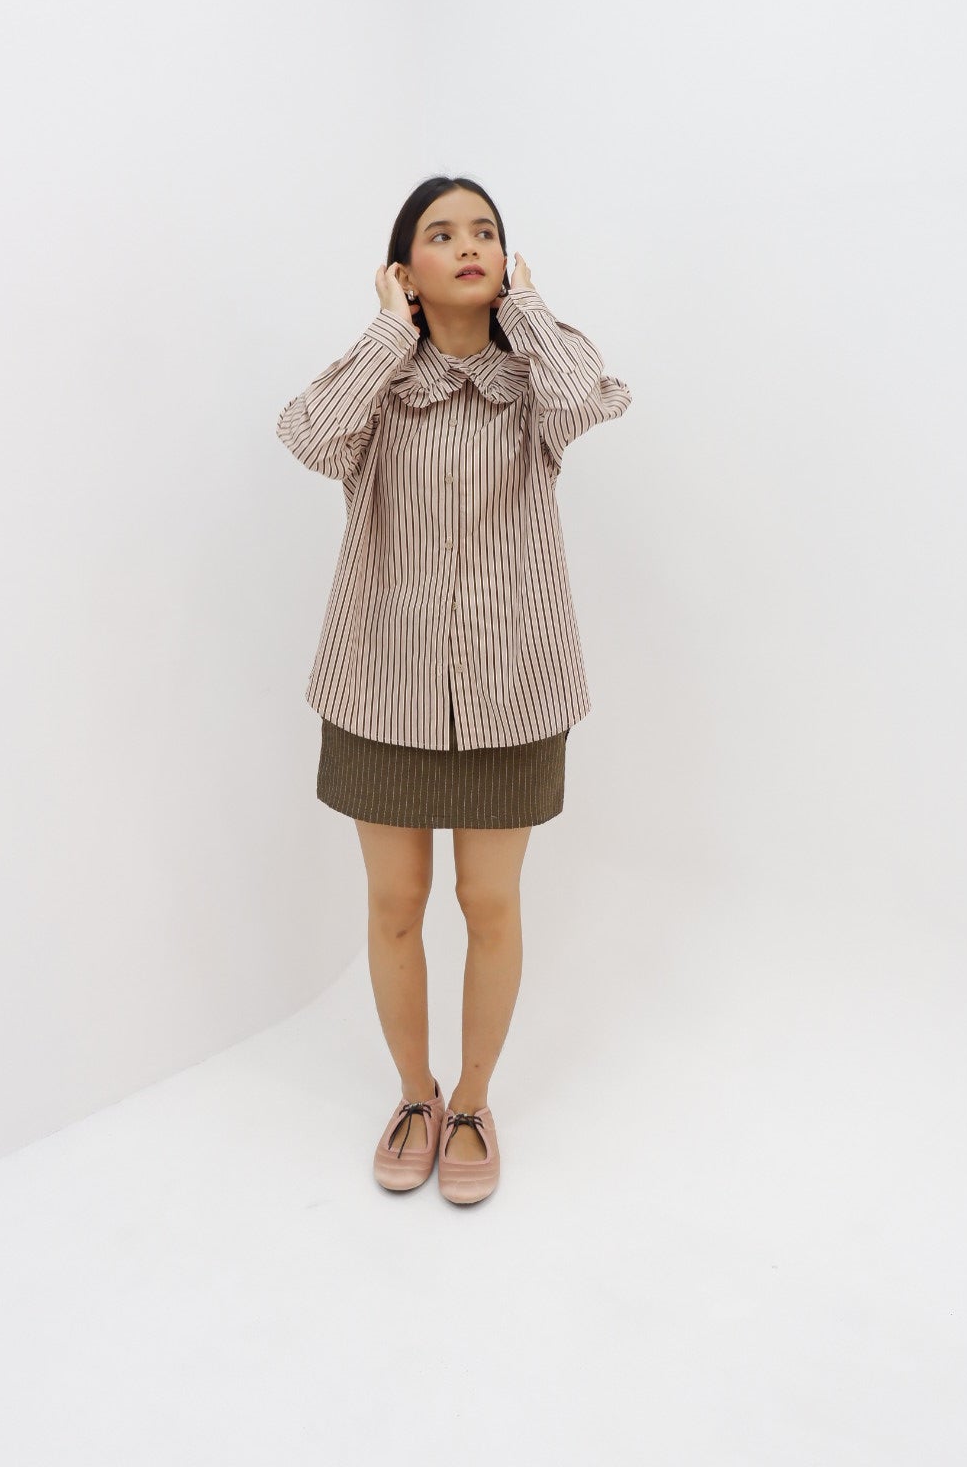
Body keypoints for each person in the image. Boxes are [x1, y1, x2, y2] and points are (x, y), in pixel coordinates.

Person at [276, 175, 631, 1203]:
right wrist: (391, 333)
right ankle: (413, 1092)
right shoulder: (376, 382)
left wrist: (522, 307)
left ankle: (472, 1099)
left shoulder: (540, 387)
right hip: (379, 686)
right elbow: (308, 438)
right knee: (395, 903)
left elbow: (581, 398)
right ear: (404, 269)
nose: (468, 244)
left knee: (488, 900)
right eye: (440, 234)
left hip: (511, 687)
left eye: (485, 231)